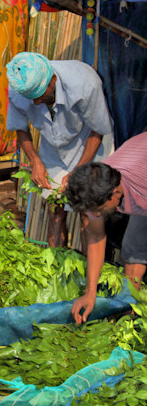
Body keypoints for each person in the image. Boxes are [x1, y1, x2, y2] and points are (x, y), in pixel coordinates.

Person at [6, 52, 113, 247]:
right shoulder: (19, 89)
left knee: (88, 211)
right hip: (53, 146)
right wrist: (35, 161)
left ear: (53, 79)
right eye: (32, 100)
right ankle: (56, 268)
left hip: (88, 142)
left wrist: (77, 172)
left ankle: (89, 274)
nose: (36, 103)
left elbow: (98, 131)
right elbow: (20, 128)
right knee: (55, 208)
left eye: (40, 97)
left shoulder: (85, 83)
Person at [66, 131, 147, 324]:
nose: (97, 216)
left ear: (115, 194)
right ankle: (128, 311)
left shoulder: (140, 186)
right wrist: (90, 293)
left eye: (99, 211)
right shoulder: (99, 181)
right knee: (134, 248)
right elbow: (95, 236)